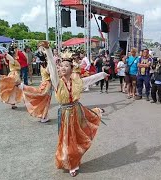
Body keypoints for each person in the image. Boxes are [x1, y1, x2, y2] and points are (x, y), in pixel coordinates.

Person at [37, 41, 108, 177]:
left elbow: (90, 80)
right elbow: (52, 66)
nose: (62, 68)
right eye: (61, 65)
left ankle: (97, 113)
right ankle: (72, 163)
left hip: (77, 111)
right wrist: (48, 50)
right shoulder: (58, 82)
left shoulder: (76, 82)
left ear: (71, 68)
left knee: (80, 137)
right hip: (65, 115)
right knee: (68, 140)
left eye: (66, 66)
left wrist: (102, 75)